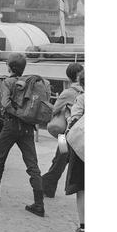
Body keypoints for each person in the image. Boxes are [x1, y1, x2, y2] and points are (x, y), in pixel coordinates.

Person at [0, 53, 46, 217]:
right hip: (28, 127)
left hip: (11, 125)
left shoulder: (8, 82)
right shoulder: (31, 83)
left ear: (10, 67)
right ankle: (39, 203)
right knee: (32, 164)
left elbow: (5, 103)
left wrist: (16, 113)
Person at [42, 63, 84, 197]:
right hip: (79, 135)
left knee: (59, 159)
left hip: (65, 134)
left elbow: (54, 109)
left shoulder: (67, 93)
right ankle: (47, 185)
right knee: (61, 160)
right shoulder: (85, 92)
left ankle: (46, 185)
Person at [66, 70, 85, 232]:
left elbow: (73, 121)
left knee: (82, 188)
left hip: (83, 150)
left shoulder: (82, 98)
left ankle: (83, 228)